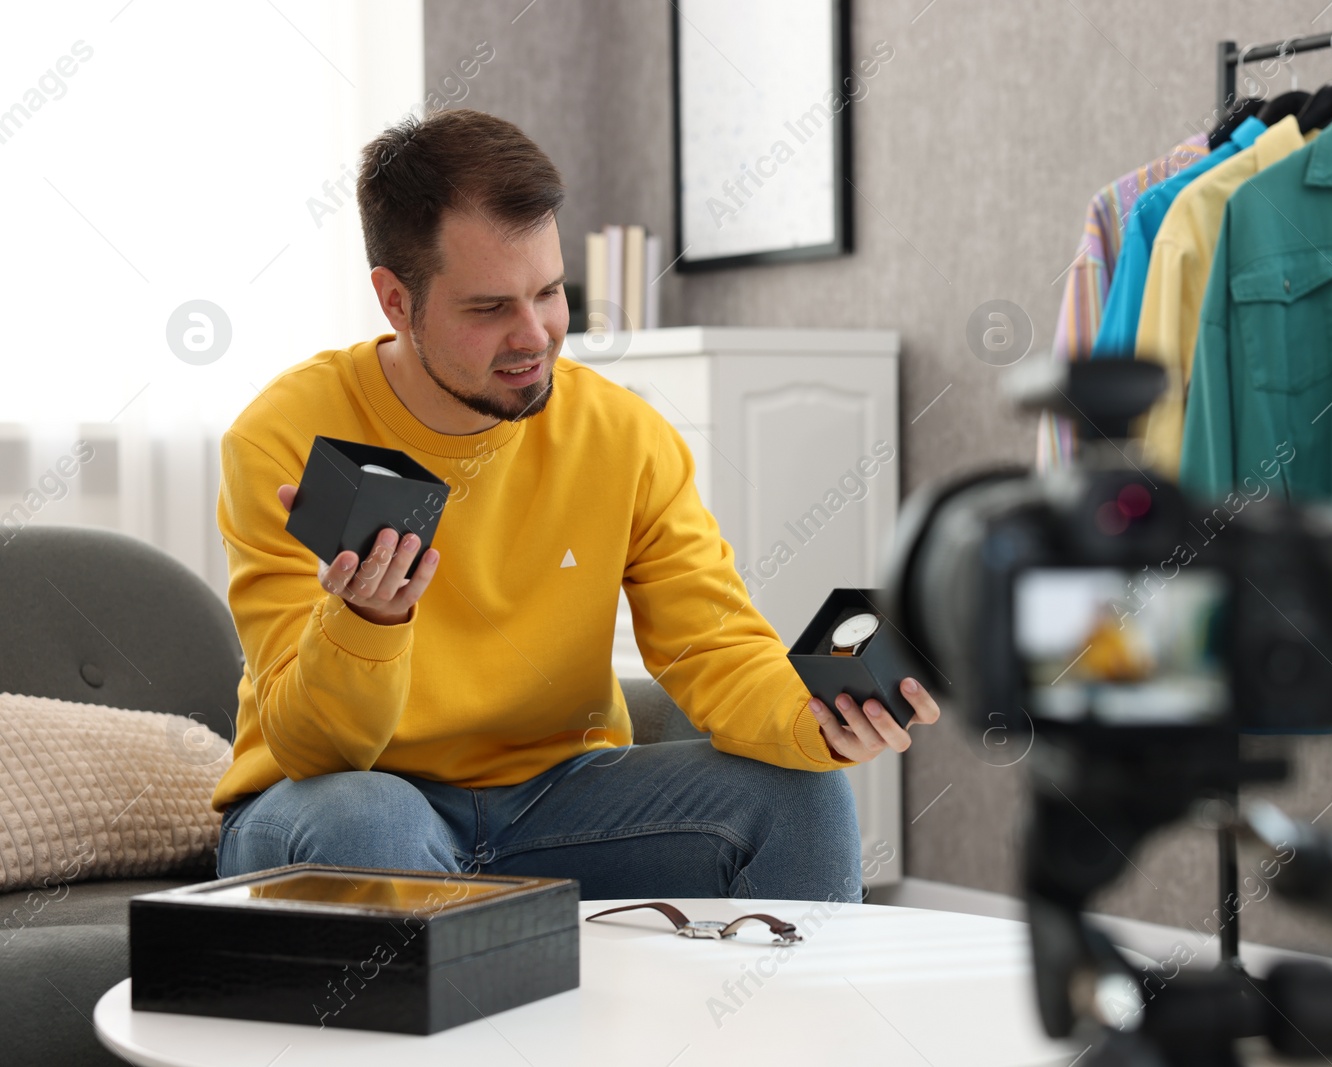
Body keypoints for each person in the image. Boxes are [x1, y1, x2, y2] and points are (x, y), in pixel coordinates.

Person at [210, 108, 941, 904]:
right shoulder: (283, 439)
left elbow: (713, 645)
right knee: (369, 819)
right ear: (395, 300)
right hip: (335, 803)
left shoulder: (622, 435)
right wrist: (367, 623)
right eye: (489, 308)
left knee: (800, 795)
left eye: (550, 292)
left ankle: (787, 1027)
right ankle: (457, 1023)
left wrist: (816, 719)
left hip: (558, 804)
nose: (537, 335)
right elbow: (310, 749)